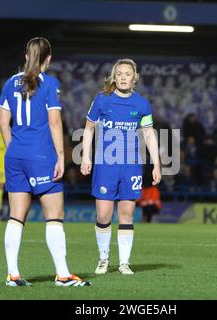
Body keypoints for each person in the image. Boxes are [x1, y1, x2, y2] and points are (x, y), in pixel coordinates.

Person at [0, 37, 90, 287]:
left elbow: (3, 123)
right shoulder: (50, 84)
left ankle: (13, 274)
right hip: (41, 155)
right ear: (48, 59)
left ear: (26, 56)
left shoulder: (9, 83)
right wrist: (61, 156)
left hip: (15, 155)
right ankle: (62, 275)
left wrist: (14, 148)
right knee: (55, 216)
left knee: (16, 216)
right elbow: (54, 122)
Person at [80, 58, 161, 275]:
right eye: (120, 74)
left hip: (131, 166)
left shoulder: (142, 104)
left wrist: (156, 164)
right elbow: (88, 129)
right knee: (104, 215)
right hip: (106, 165)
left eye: (127, 74)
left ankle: (124, 263)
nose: (123, 77)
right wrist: (86, 157)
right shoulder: (102, 100)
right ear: (114, 78)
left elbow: (149, 135)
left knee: (127, 214)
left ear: (134, 78)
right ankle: (103, 259)